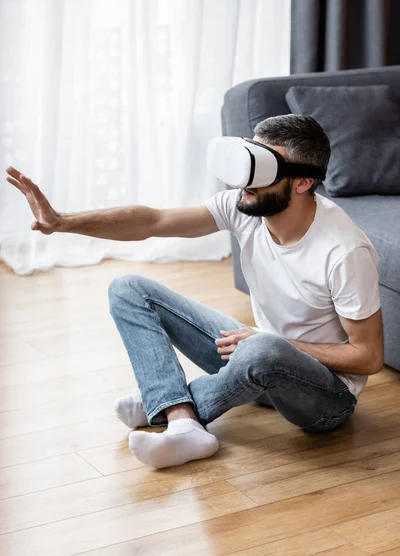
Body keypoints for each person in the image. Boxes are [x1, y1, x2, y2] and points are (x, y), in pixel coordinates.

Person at [5, 114, 384, 470]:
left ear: (302, 182)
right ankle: (183, 421)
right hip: (253, 364)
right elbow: (152, 221)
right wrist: (63, 222)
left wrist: (272, 342)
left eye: (263, 168)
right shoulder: (244, 204)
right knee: (130, 289)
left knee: (263, 347)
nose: (245, 180)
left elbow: (367, 357)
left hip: (324, 399)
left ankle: (166, 402)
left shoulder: (344, 250)